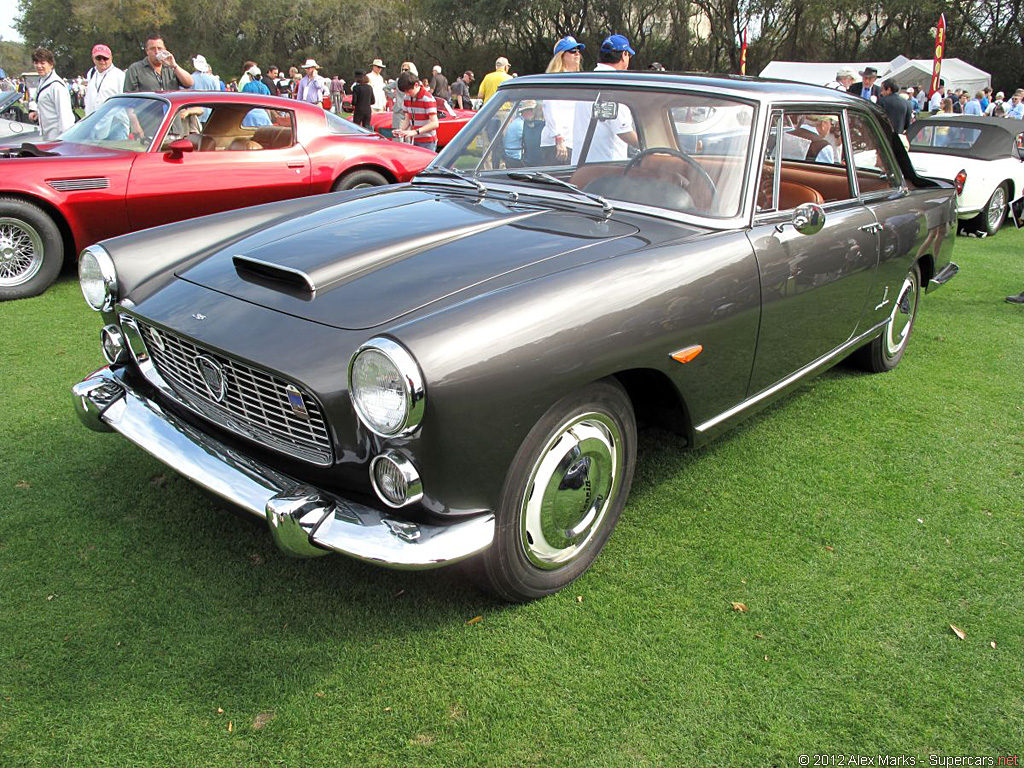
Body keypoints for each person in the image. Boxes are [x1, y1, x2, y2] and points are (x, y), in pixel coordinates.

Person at [571, 34, 637, 164]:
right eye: (629, 55)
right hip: (606, 169)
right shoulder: (615, 85)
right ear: (624, 54)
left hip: (579, 168)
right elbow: (624, 132)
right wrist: (651, 145)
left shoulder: (586, 82)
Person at [540, 35, 584, 164]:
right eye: (572, 51)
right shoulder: (555, 80)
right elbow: (550, 110)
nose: (577, 54)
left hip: (572, 141)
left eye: (578, 51)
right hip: (557, 143)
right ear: (562, 55)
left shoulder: (579, 79)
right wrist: (558, 138)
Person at [28, 47, 74, 140]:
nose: (39, 66)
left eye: (42, 63)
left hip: (57, 137)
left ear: (51, 64)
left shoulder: (56, 85)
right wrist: (36, 112)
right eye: (36, 63)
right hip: (47, 136)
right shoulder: (42, 81)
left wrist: (64, 140)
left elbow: (65, 116)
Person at [123, 33, 194, 92]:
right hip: (149, 109)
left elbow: (189, 83)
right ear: (147, 51)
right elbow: (129, 99)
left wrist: (175, 66)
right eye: (152, 49)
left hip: (171, 108)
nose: (156, 52)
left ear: (165, 50)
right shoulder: (135, 69)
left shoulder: (171, 68)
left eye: (159, 48)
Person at [393, 70, 439, 151]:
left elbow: (435, 123)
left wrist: (415, 131)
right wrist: (401, 131)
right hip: (414, 140)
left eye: (408, 91)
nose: (406, 94)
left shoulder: (427, 98)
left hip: (428, 141)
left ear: (416, 85)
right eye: (405, 92)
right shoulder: (407, 98)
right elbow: (407, 119)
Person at [84, 44, 124, 116]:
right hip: (92, 121)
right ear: (93, 58)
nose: (102, 61)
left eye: (105, 58)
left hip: (113, 122)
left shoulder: (119, 75)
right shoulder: (91, 73)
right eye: (98, 58)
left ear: (111, 58)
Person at [503, 100, 536, 167]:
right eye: (532, 111)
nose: (534, 114)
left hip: (510, 156)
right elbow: (531, 142)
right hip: (516, 159)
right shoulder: (521, 124)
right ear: (526, 111)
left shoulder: (519, 121)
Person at [392, 62, 418, 141]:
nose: (404, 71)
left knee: (408, 136)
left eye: (406, 69)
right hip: (400, 108)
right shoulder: (398, 81)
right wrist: (393, 96)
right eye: (402, 69)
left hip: (413, 111)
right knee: (399, 136)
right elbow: (386, 88)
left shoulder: (424, 97)